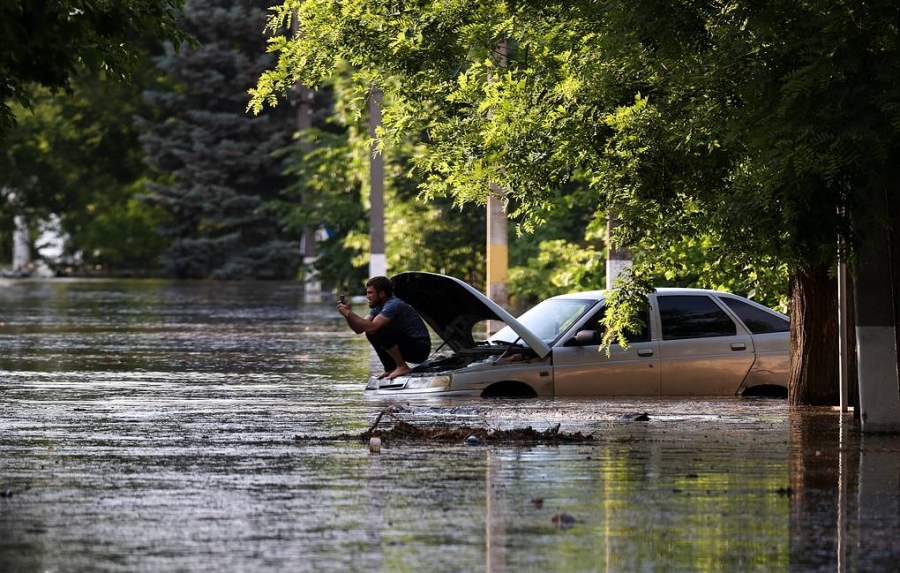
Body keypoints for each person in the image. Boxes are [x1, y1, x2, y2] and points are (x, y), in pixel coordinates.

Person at [337, 276, 431, 379]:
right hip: (408, 346)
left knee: (381, 331)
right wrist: (347, 315)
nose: (367, 296)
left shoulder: (393, 304)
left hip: (420, 349)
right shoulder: (378, 306)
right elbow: (359, 329)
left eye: (370, 293)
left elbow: (373, 327)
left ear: (381, 294)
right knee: (371, 332)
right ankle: (390, 368)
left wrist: (349, 313)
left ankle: (402, 367)